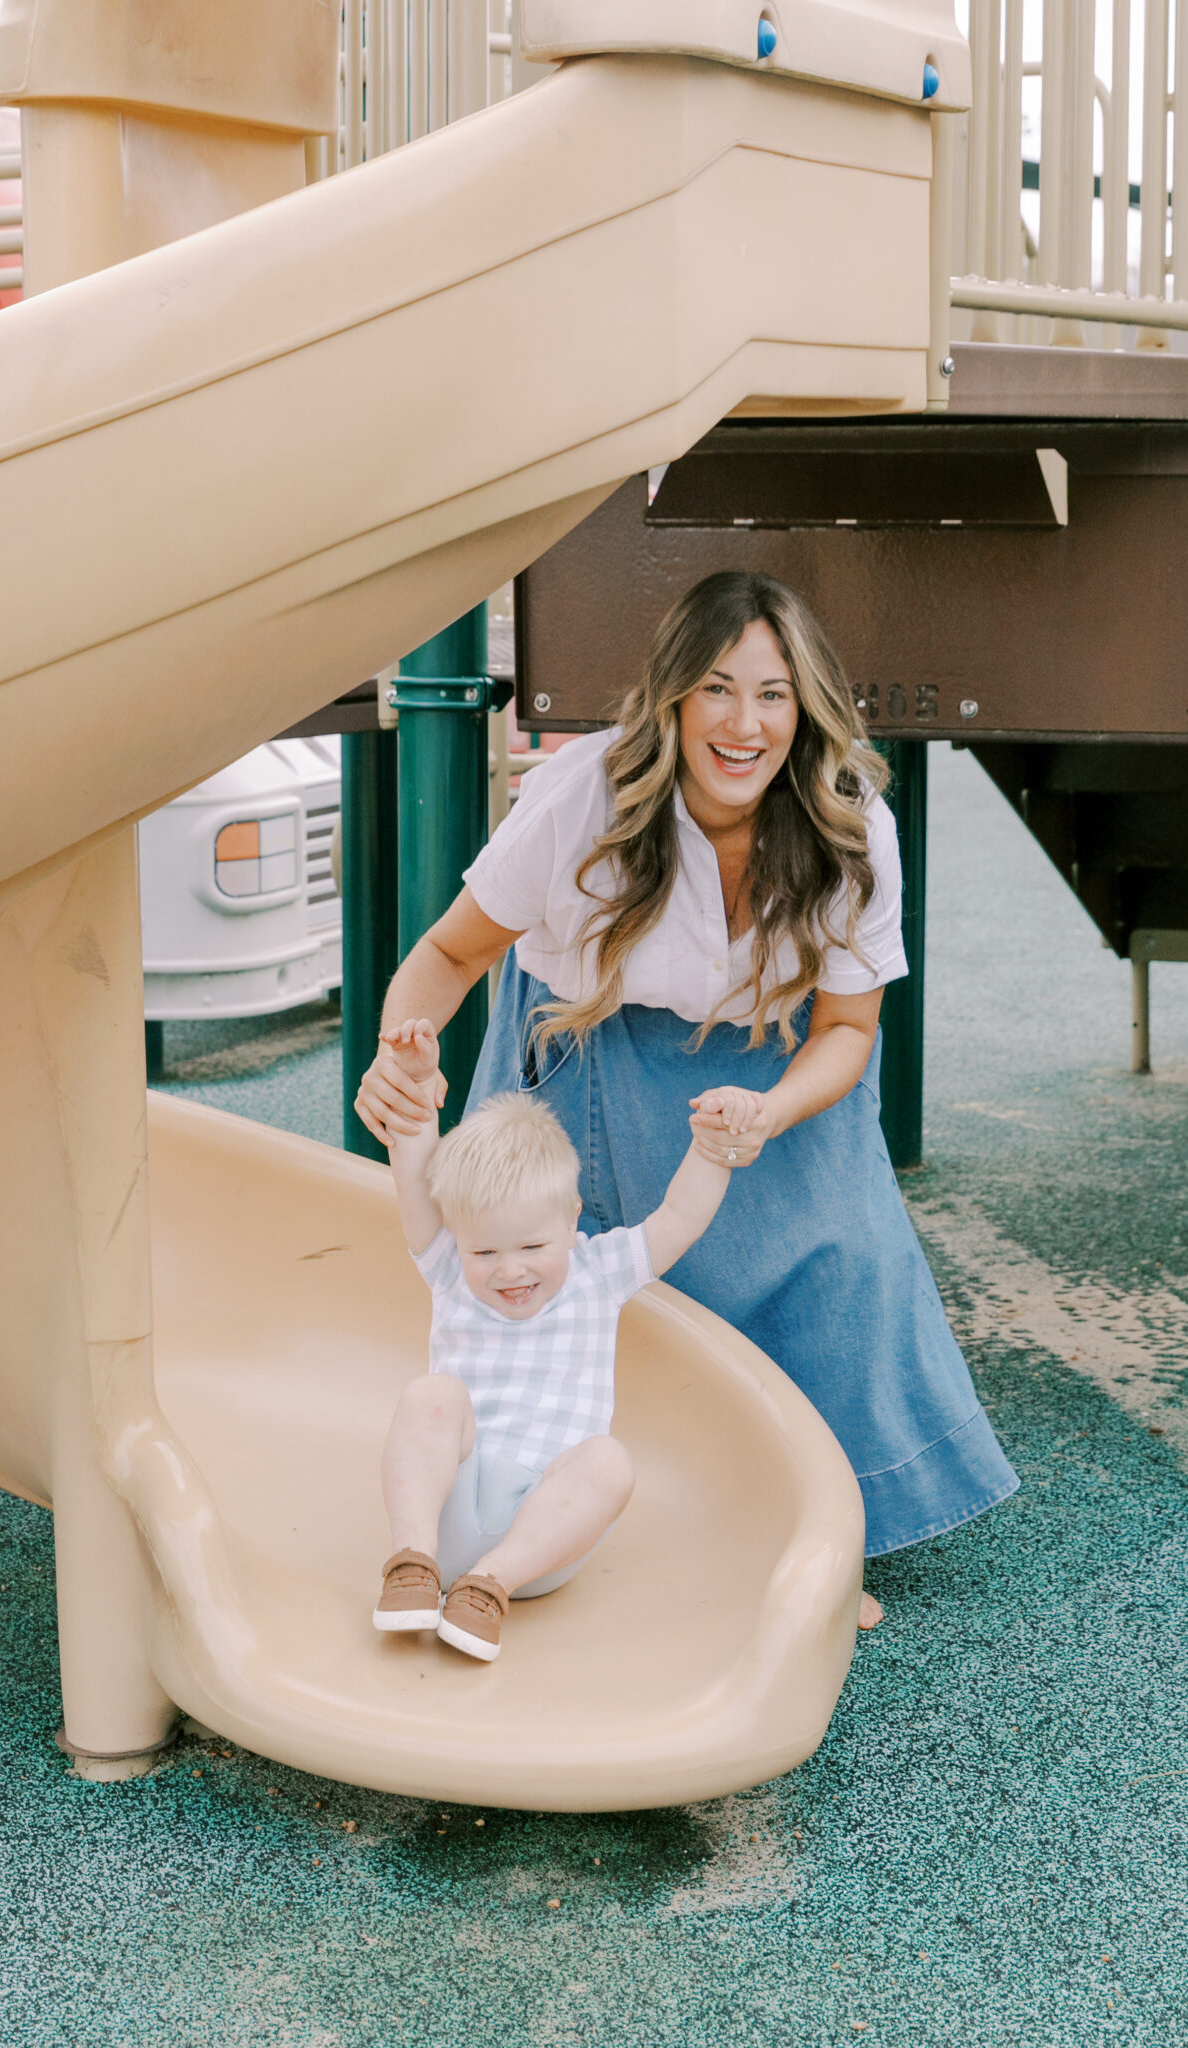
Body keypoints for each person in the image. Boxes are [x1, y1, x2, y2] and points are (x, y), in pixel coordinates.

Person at [358, 571, 1019, 1629]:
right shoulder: (583, 794)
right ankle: (533, 1507)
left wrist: (774, 1109)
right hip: (587, 1024)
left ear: (803, 708)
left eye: (771, 693)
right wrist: (404, 1047)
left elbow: (850, 1032)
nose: (744, 722)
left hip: (778, 1044)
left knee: (842, 1253)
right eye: (718, 688)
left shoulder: (851, 824)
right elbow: (449, 952)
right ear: (673, 697)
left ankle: (822, 1533)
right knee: (547, 1255)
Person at [373, 1019, 746, 1661]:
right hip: (448, 1515)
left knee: (610, 1461)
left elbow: (679, 1218)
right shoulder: (448, 1269)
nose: (510, 1270)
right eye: (485, 1249)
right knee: (430, 1395)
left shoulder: (599, 1272)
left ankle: (487, 1590)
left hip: (543, 1539)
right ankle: (411, 1566)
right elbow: (412, 1165)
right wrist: (411, 1076)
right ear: (458, 1236)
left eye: (532, 1247)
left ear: (572, 1221)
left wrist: (712, 1152)